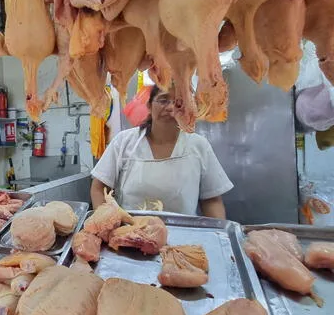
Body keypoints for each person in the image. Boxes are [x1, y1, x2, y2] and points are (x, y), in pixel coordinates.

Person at [90, 85, 233, 219]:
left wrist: (220, 233)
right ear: (149, 106)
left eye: (179, 102)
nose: (171, 107)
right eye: (163, 100)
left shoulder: (199, 145)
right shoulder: (124, 141)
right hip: (129, 233)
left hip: (185, 238)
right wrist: (106, 224)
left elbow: (211, 200)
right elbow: (99, 188)